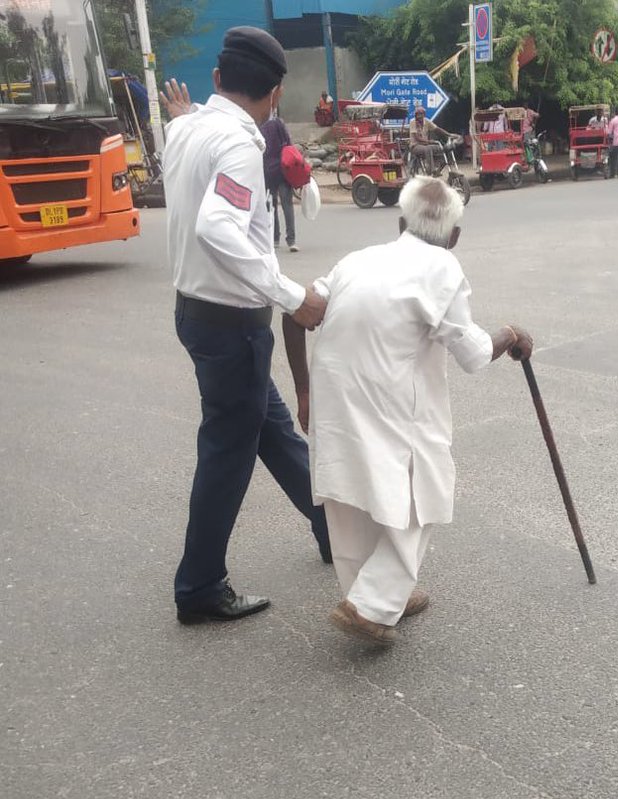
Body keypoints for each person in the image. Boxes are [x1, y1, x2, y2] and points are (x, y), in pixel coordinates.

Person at [282, 177, 533, 647]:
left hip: (335, 395)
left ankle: (373, 595)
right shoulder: (444, 266)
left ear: (400, 222)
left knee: (350, 492)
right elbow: (475, 354)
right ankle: (373, 604)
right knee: (424, 492)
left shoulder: (358, 260)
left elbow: (294, 311)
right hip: (389, 402)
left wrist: (304, 393)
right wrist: (511, 334)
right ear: (454, 236)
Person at [161, 26, 332, 626]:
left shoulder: (187, 128)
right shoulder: (238, 142)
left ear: (215, 79)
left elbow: (183, 134)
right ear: (277, 92)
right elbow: (219, 227)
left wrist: (181, 116)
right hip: (231, 323)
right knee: (227, 453)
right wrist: (293, 296)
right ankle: (200, 585)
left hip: (198, 313)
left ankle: (331, 527)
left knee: (273, 430)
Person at [261, 109, 297, 251]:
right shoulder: (279, 124)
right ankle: (291, 240)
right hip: (283, 170)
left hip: (268, 172)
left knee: (272, 206)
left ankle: (275, 238)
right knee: (287, 204)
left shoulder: (259, 127)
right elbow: (288, 144)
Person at [409, 106, 451, 174]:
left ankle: (441, 166)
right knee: (428, 149)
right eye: (417, 114)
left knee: (441, 148)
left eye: (421, 114)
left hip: (426, 145)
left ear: (424, 114)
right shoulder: (412, 122)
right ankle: (431, 170)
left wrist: (449, 134)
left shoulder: (427, 121)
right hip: (415, 146)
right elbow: (417, 138)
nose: (419, 116)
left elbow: (437, 129)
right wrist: (430, 141)